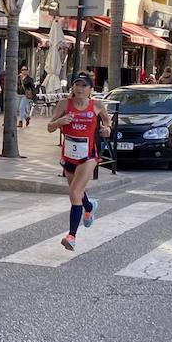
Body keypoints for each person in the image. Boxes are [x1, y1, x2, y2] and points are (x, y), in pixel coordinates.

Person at [47, 72, 112, 251]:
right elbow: (50, 128)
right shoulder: (64, 104)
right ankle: (89, 207)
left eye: (84, 86)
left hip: (88, 156)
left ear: (91, 89)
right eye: (77, 85)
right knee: (77, 192)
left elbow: (107, 122)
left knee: (75, 192)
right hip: (68, 156)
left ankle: (72, 237)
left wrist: (106, 129)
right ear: (73, 87)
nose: (80, 89)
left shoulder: (97, 105)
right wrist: (61, 120)